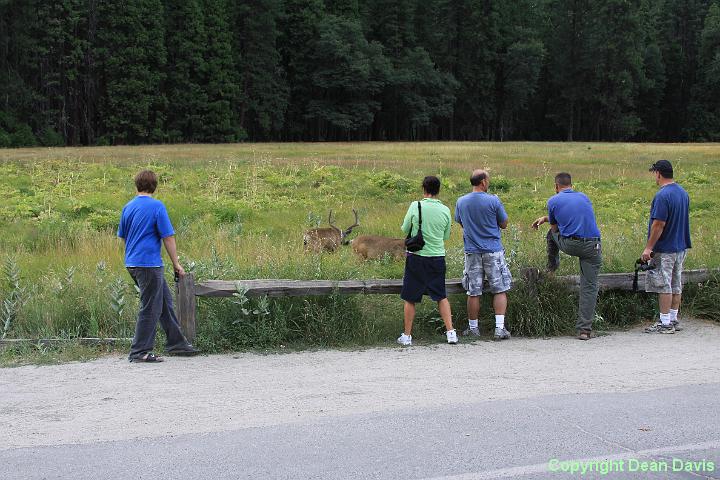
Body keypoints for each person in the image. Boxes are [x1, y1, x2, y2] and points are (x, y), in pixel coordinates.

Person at [118, 170, 198, 362]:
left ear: (136, 185)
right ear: (154, 186)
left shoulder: (127, 207)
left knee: (164, 303)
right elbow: (168, 237)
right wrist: (176, 263)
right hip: (149, 264)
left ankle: (176, 343)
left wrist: (131, 256)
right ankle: (139, 352)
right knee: (150, 307)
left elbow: (122, 236)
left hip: (133, 262)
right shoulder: (157, 206)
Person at [532, 173, 602, 341]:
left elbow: (556, 228)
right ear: (572, 184)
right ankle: (584, 330)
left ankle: (551, 268)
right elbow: (573, 216)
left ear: (556, 186)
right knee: (589, 287)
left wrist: (547, 221)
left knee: (551, 233)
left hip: (572, 245)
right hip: (594, 245)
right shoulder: (584, 197)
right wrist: (546, 218)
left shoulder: (553, 201)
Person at [398, 175, 457, 346]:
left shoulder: (415, 206)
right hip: (437, 257)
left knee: (410, 297)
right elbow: (445, 235)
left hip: (416, 257)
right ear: (438, 190)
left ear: (423, 189)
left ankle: (407, 336)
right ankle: (451, 332)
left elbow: (404, 228)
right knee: (441, 296)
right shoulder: (445, 210)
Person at [454, 169, 511, 340]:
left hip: (472, 251)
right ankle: (499, 328)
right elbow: (504, 223)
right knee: (499, 289)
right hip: (493, 250)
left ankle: (473, 328)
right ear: (483, 182)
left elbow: (460, 221)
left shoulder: (461, 201)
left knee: (473, 291)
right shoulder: (493, 200)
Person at [641, 160, 691, 334]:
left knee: (663, 284)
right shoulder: (683, 193)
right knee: (676, 283)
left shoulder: (662, 196)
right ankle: (673, 318)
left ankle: (664, 323)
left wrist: (648, 248)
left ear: (658, 174)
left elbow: (659, 224)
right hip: (680, 246)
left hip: (666, 247)